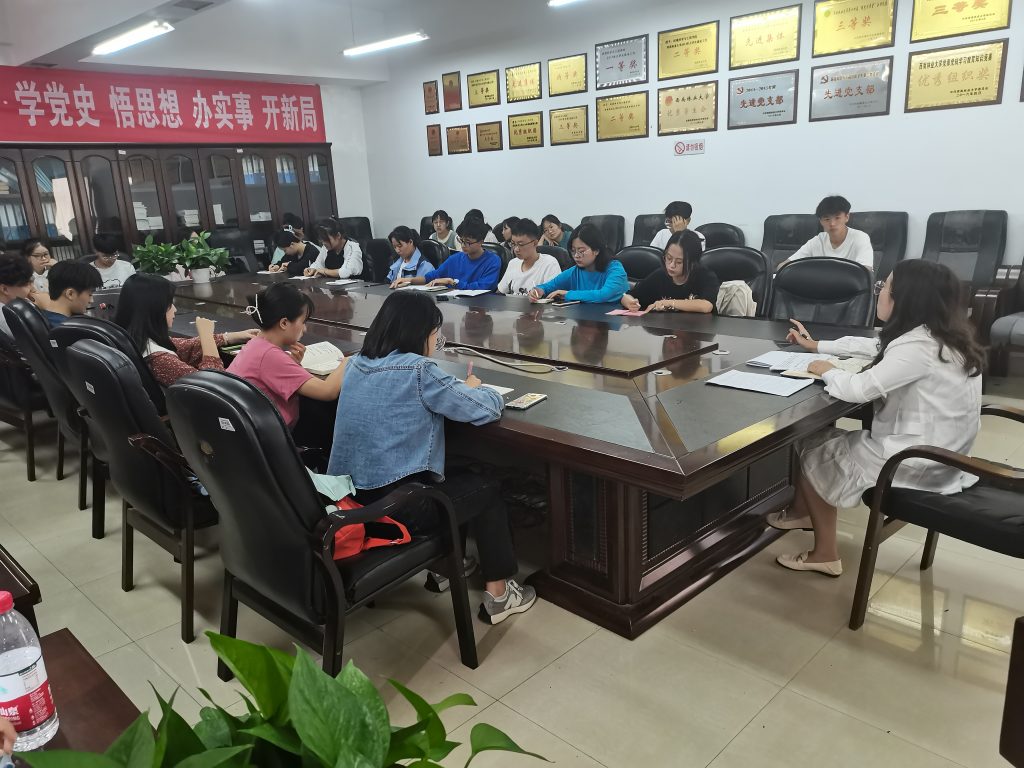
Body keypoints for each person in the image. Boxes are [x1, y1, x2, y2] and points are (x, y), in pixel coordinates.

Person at [327, 291, 536, 623]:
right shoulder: (420, 370)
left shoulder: (355, 364)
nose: (435, 342)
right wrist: (475, 387)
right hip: (398, 510)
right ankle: (500, 595)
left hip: (351, 501)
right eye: (435, 334)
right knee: (487, 488)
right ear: (420, 332)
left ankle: (447, 568)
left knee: (454, 472)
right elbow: (483, 408)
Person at [768, 260, 984, 576]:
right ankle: (803, 511)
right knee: (818, 438)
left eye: (885, 287)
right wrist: (817, 345)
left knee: (812, 443)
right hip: (947, 457)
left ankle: (824, 554)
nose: (879, 291)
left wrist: (828, 370)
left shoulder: (918, 348)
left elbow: (858, 389)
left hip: (915, 461)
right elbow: (874, 344)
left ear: (905, 298)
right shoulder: (942, 336)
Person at [227, 282, 345, 429]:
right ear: (284, 323)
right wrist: (347, 362)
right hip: (269, 437)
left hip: (249, 432)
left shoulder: (255, 345)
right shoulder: (270, 356)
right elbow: (327, 391)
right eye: (303, 321)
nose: (305, 328)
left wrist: (292, 363)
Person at [114, 273, 256, 387]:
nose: (175, 310)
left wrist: (229, 337)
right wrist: (206, 336)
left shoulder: (131, 339)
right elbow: (214, 386)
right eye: (170, 304)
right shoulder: (159, 360)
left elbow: (182, 346)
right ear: (154, 310)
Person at [621, 230, 719, 313]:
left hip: (697, 328)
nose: (671, 265)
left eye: (679, 262)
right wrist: (630, 302)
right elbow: (627, 296)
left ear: (693, 262)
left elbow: (706, 306)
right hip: (666, 328)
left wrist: (668, 303)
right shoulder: (660, 275)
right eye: (669, 258)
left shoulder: (705, 276)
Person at [529, 223, 629, 304]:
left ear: (596, 250)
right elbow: (549, 286)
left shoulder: (615, 269)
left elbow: (603, 295)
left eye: (581, 251)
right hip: (584, 320)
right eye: (573, 251)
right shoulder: (575, 271)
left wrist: (567, 294)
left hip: (610, 321)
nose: (576, 255)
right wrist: (538, 290)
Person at [391, 218, 501, 291]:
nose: (463, 245)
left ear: (481, 241)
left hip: (482, 307)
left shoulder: (493, 261)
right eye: (461, 240)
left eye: (467, 242)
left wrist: (451, 282)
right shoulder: (455, 259)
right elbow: (431, 276)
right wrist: (409, 280)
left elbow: (483, 287)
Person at [775, 195, 873, 271]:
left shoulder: (860, 238)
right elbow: (784, 265)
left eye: (837, 218)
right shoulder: (817, 241)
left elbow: (866, 271)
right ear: (821, 221)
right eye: (827, 219)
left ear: (847, 217)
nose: (832, 224)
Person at [497, 218, 561, 295]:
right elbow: (500, 292)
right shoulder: (513, 263)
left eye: (521, 244)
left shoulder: (549, 264)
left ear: (535, 243)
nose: (516, 249)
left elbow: (553, 296)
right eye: (513, 244)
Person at [39, 260, 102, 327]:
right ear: (70, 294)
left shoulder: (43, 319)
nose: (92, 300)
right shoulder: (69, 329)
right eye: (90, 294)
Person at [0, 253, 34, 338]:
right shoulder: (7, 319)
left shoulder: (20, 303)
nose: (32, 288)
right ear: (5, 289)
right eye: (26, 284)